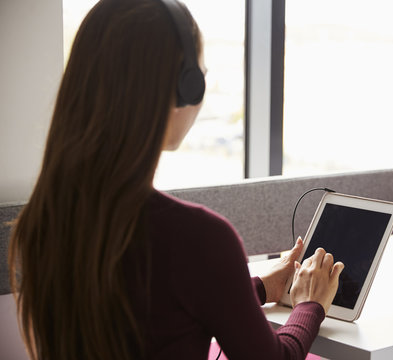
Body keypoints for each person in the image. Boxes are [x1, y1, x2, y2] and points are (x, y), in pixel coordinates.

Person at [8, 0, 344, 359]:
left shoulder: (42, 222)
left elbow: (154, 312)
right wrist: (309, 304)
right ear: (185, 88)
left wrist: (257, 288)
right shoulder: (198, 237)